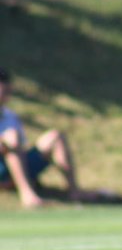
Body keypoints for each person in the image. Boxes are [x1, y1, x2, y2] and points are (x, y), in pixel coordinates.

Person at [0, 67, 86, 207]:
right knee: (12, 139)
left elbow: (21, 145)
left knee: (55, 137)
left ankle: (74, 192)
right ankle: (27, 195)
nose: (6, 94)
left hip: (15, 165)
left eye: (7, 90)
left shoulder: (10, 116)